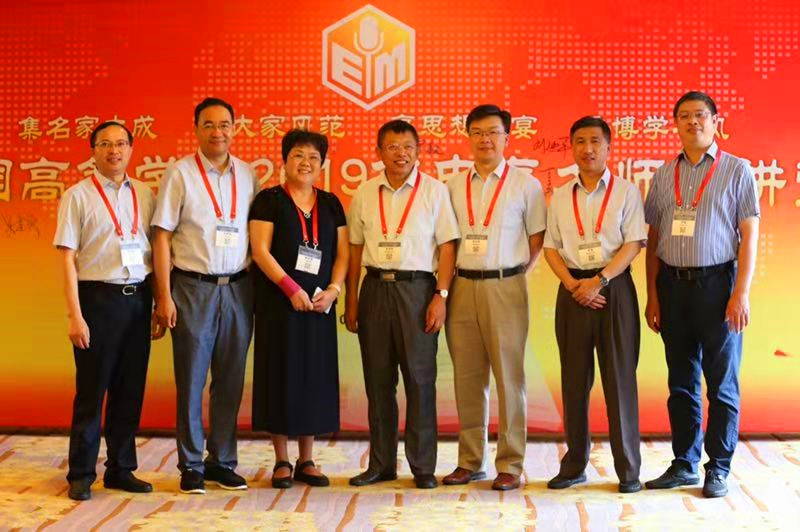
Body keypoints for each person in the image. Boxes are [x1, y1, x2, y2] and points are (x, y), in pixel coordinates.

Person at [643, 91, 759, 498]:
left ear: (714, 121)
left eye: (700, 115)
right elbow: (654, 238)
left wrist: (740, 293)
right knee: (681, 382)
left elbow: (749, 235)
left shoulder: (737, 170)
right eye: (684, 116)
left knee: (721, 383)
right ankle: (684, 462)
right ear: (675, 124)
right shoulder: (663, 175)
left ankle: (719, 467)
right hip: (672, 287)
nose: (693, 122)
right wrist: (653, 295)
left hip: (718, 287)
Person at [151, 97, 258, 494]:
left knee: (230, 380)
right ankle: (192, 464)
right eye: (209, 124)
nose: (218, 132)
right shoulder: (179, 174)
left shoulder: (248, 174)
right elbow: (161, 236)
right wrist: (163, 297)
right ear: (196, 129)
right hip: (192, 287)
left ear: (235, 128)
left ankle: (222, 461)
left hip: (239, 288)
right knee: (192, 380)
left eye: (224, 124)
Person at [345, 120, 459, 489]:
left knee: (420, 380)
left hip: (418, 290)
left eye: (408, 146)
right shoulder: (365, 192)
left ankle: (423, 466)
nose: (401, 153)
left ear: (418, 150)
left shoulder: (434, 191)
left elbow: (448, 248)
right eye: (392, 147)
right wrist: (351, 299)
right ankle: (381, 464)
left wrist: (441, 296)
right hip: (375, 288)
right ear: (379, 151)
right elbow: (355, 249)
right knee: (378, 381)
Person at [441, 104, 545, 491]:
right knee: (468, 378)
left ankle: (511, 463)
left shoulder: (525, 185)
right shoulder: (452, 186)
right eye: (478, 132)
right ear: (468, 137)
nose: (485, 139)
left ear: (506, 137)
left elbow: (537, 241)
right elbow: (445, 242)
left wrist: (513, 276)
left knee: (509, 378)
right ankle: (470, 460)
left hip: (506, 285)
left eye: (493, 132)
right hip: (461, 286)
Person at [543, 116, 646, 493]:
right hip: (572, 292)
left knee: (620, 380)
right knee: (573, 380)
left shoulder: (627, 192)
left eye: (595, 142)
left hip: (613, 289)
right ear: (572, 147)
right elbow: (551, 248)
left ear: (608, 147)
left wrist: (599, 281)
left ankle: (628, 470)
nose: (587, 149)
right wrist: (574, 285)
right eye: (580, 142)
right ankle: (574, 465)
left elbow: (633, 244)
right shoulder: (559, 196)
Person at [54, 121, 156, 500]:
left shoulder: (144, 193)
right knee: (92, 391)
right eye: (105, 144)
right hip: (97, 301)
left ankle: (120, 469)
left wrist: (158, 301)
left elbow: (154, 250)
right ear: (93, 151)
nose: (114, 151)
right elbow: (67, 258)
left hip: (139, 299)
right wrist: (75, 315)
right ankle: (81, 473)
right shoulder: (77, 196)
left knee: (130, 390)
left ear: (131, 149)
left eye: (121, 144)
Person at [249, 130, 348, 489]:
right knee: (279, 374)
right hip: (279, 303)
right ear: (285, 159)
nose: (305, 163)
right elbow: (260, 251)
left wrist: (334, 290)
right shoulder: (269, 200)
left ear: (322, 164)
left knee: (314, 376)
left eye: (313, 157)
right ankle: (281, 460)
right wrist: (290, 288)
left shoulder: (331, 203)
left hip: (319, 304)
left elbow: (343, 255)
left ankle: (307, 459)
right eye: (298, 155)